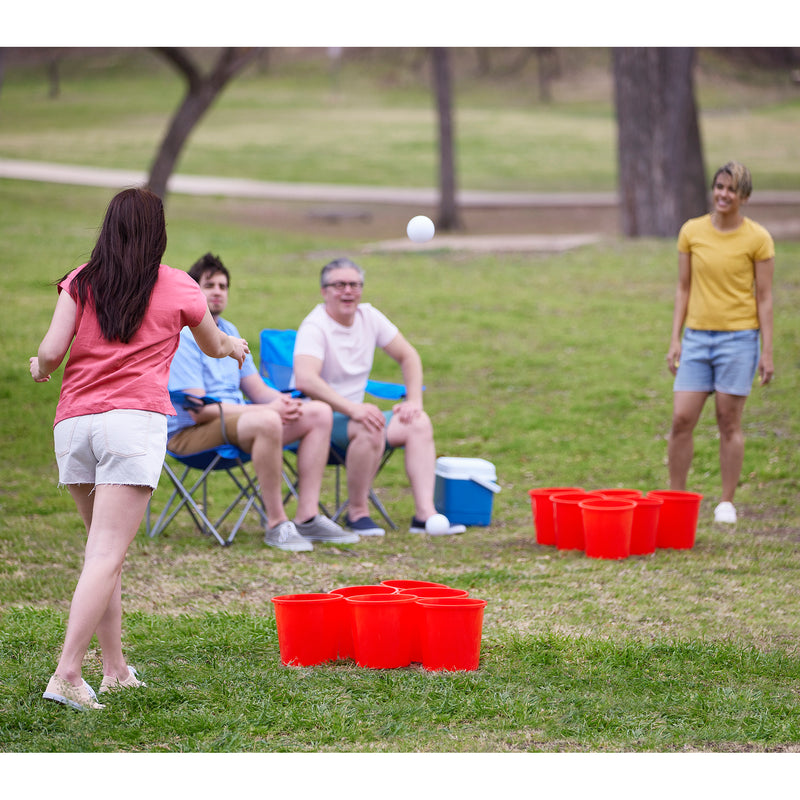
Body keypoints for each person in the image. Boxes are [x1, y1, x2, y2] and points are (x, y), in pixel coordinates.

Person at [30, 188, 249, 711]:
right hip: (130, 426)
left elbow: (51, 351)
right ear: (159, 232)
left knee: (103, 554)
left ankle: (115, 670)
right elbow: (216, 344)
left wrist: (39, 368)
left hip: (75, 426)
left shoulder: (81, 279)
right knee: (106, 553)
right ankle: (66, 674)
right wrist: (235, 347)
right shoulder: (178, 285)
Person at [167, 253, 358, 551]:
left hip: (240, 423)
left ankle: (308, 517)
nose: (217, 291)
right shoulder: (184, 336)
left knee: (319, 412)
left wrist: (284, 403)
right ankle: (276, 524)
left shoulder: (229, 332)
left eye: (223, 285)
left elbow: (256, 389)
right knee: (268, 419)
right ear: (194, 290)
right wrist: (266, 410)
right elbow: (198, 409)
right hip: (191, 435)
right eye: (209, 285)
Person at [293, 257, 466, 537]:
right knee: (369, 422)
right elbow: (306, 379)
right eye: (339, 285)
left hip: (357, 414)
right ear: (324, 291)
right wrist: (352, 409)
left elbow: (408, 356)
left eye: (354, 284)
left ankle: (425, 515)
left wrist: (413, 401)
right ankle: (358, 512)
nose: (348, 291)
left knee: (418, 422)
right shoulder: (315, 326)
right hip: (321, 419)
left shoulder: (369, 316)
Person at [666, 161, 775, 524]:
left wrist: (767, 351)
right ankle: (676, 498)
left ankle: (726, 502)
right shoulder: (692, 232)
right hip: (697, 338)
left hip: (739, 339)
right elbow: (683, 288)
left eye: (731, 189)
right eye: (719, 187)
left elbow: (764, 297)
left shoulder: (757, 238)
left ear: (744, 196)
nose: (723, 194)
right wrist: (676, 339)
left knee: (728, 421)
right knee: (682, 418)